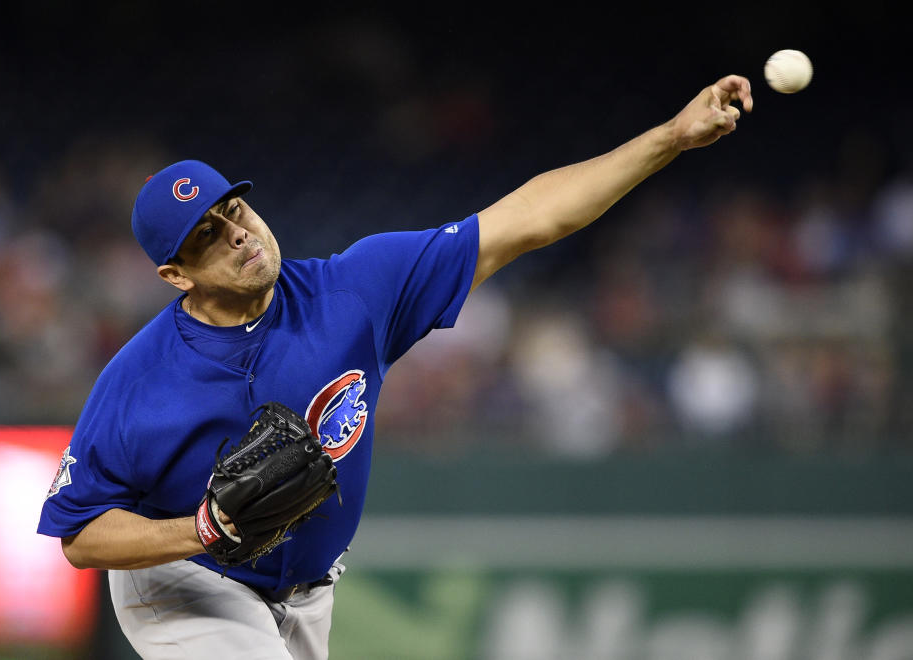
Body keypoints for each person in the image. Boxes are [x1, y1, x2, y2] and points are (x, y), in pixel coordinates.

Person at [37, 75, 753, 659]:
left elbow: (530, 218)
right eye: (207, 237)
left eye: (234, 211)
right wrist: (198, 531)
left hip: (305, 590)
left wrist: (670, 139)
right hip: (184, 580)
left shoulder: (355, 289)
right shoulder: (137, 382)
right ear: (175, 275)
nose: (238, 235)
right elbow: (79, 536)